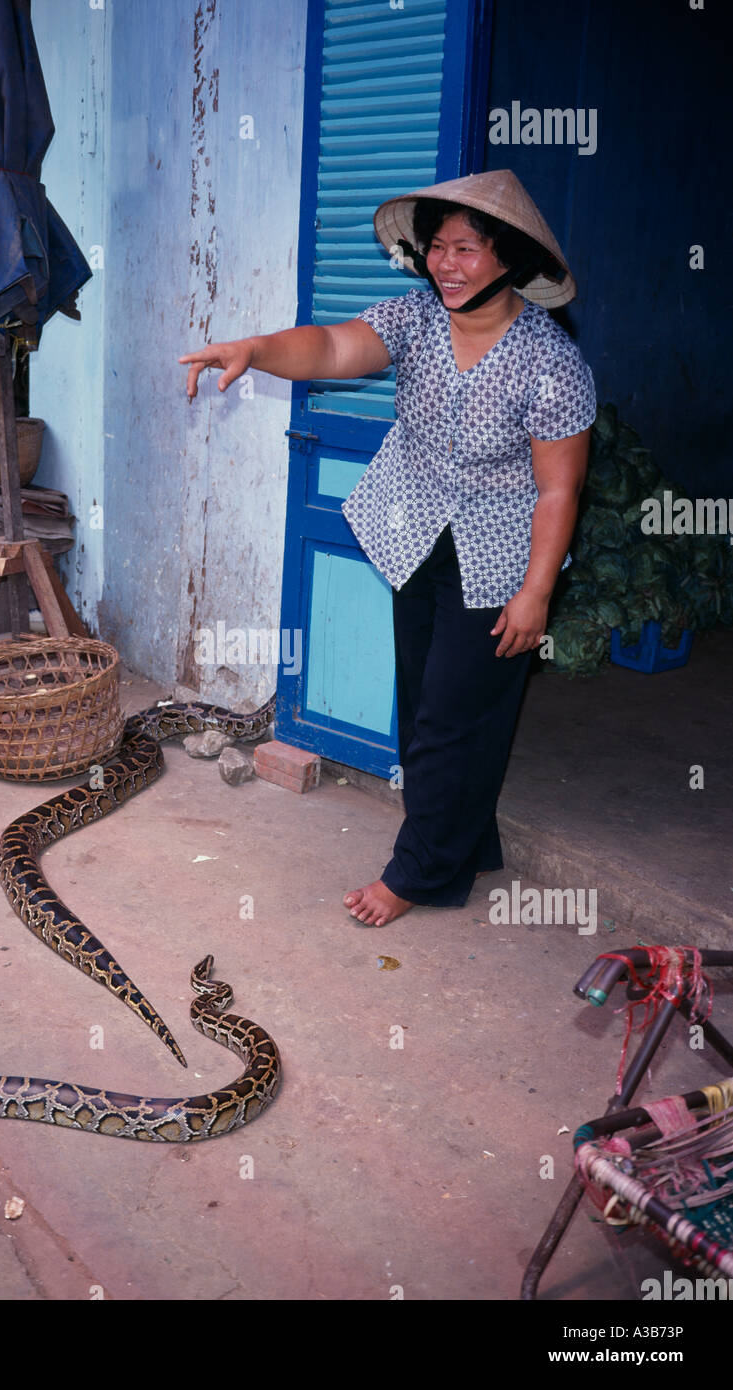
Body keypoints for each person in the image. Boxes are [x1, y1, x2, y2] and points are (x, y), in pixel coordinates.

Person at [180, 170, 596, 926]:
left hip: (503, 558)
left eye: (466, 248)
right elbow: (334, 346)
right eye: (437, 246)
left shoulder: (550, 363)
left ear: (510, 259)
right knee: (430, 703)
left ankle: (419, 872)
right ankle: (466, 844)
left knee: (453, 716)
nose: (445, 264)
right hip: (416, 536)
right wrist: (255, 348)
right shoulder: (416, 318)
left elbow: (558, 491)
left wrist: (536, 591)